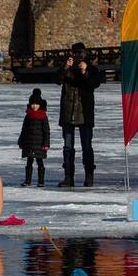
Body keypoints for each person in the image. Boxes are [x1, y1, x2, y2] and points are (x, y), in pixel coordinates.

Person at [56, 43, 105, 188]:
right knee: (68, 147)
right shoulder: (67, 68)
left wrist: (85, 72)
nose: (77, 56)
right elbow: (56, 80)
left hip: (85, 112)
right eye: (75, 53)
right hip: (68, 111)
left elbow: (94, 84)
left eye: (80, 53)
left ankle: (89, 176)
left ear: (85, 54)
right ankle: (68, 177)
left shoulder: (91, 68)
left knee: (87, 147)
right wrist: (65, 68)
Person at [17, 89, 49, 187]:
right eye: (32, 104)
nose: (34, 106)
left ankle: (41, 181)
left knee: (40, 162)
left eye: (36, 104)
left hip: (39, 144)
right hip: (29, 143)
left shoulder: (43, 116)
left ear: (40, 105)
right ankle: (28, 180)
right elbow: (24, 129)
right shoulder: (28, 116)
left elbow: (46, 131)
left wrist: (46, 144)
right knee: (29, 161)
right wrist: (21, 141)